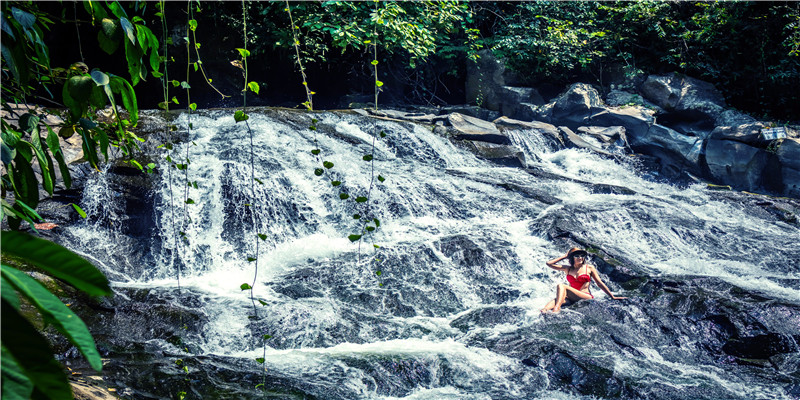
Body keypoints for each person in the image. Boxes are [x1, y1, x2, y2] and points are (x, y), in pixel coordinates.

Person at [540, 247, 627, 313]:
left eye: (582, 256)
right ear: (572, 258)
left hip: (585, 296)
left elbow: (599, 283)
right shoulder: (568, 268)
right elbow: (549, 263)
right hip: (572, 298)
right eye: (577, 256)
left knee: (561, 286)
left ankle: (556, 309)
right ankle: (544, 310)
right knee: (557, 298)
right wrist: (565, 256)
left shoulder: (589, 268)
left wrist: (612, 297)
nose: (580, 258)